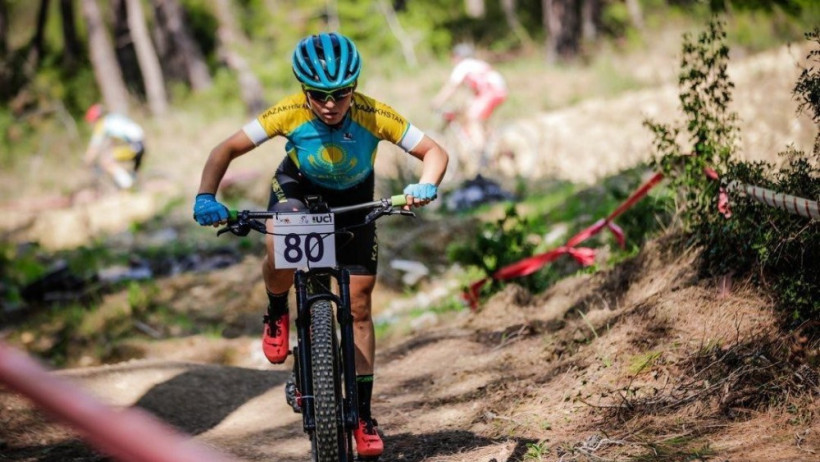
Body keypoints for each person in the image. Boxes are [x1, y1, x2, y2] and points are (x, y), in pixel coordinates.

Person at [192, 32, 448, 458]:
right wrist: (206, 196)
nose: (330, 104)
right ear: (303, 90)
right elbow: (226, 149)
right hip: (298, 190)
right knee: (281, 239)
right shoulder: (289, 111)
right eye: (318, 95)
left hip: (354, 200)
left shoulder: (373, 113)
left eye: (341, 94)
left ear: (354, 88)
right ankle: (277, 310)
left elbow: (434, 152)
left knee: (360, 306)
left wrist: (425, 184)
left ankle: (363, 416)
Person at [431, 43, 507, 168]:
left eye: (454, 56)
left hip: (491, 91)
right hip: (495, 90)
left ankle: (482, 157)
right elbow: (473, 92)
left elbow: (451, 87)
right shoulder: (474, 65)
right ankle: (493, 147)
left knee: (473, 119)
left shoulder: (463, 65)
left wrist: (436, 102)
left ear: (459, 56)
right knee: (476, 117)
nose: (452, 59)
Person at [83, 104, 146, 190]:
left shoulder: (102, 124)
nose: (92, 124)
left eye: (91, 122)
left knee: (105, 161)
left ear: (95, 119)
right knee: (111, 156)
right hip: (140, 143)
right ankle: (130, 181)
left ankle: (127, 184)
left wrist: (87, 161)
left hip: (134, 145)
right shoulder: (111, 119)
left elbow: (94, 147)